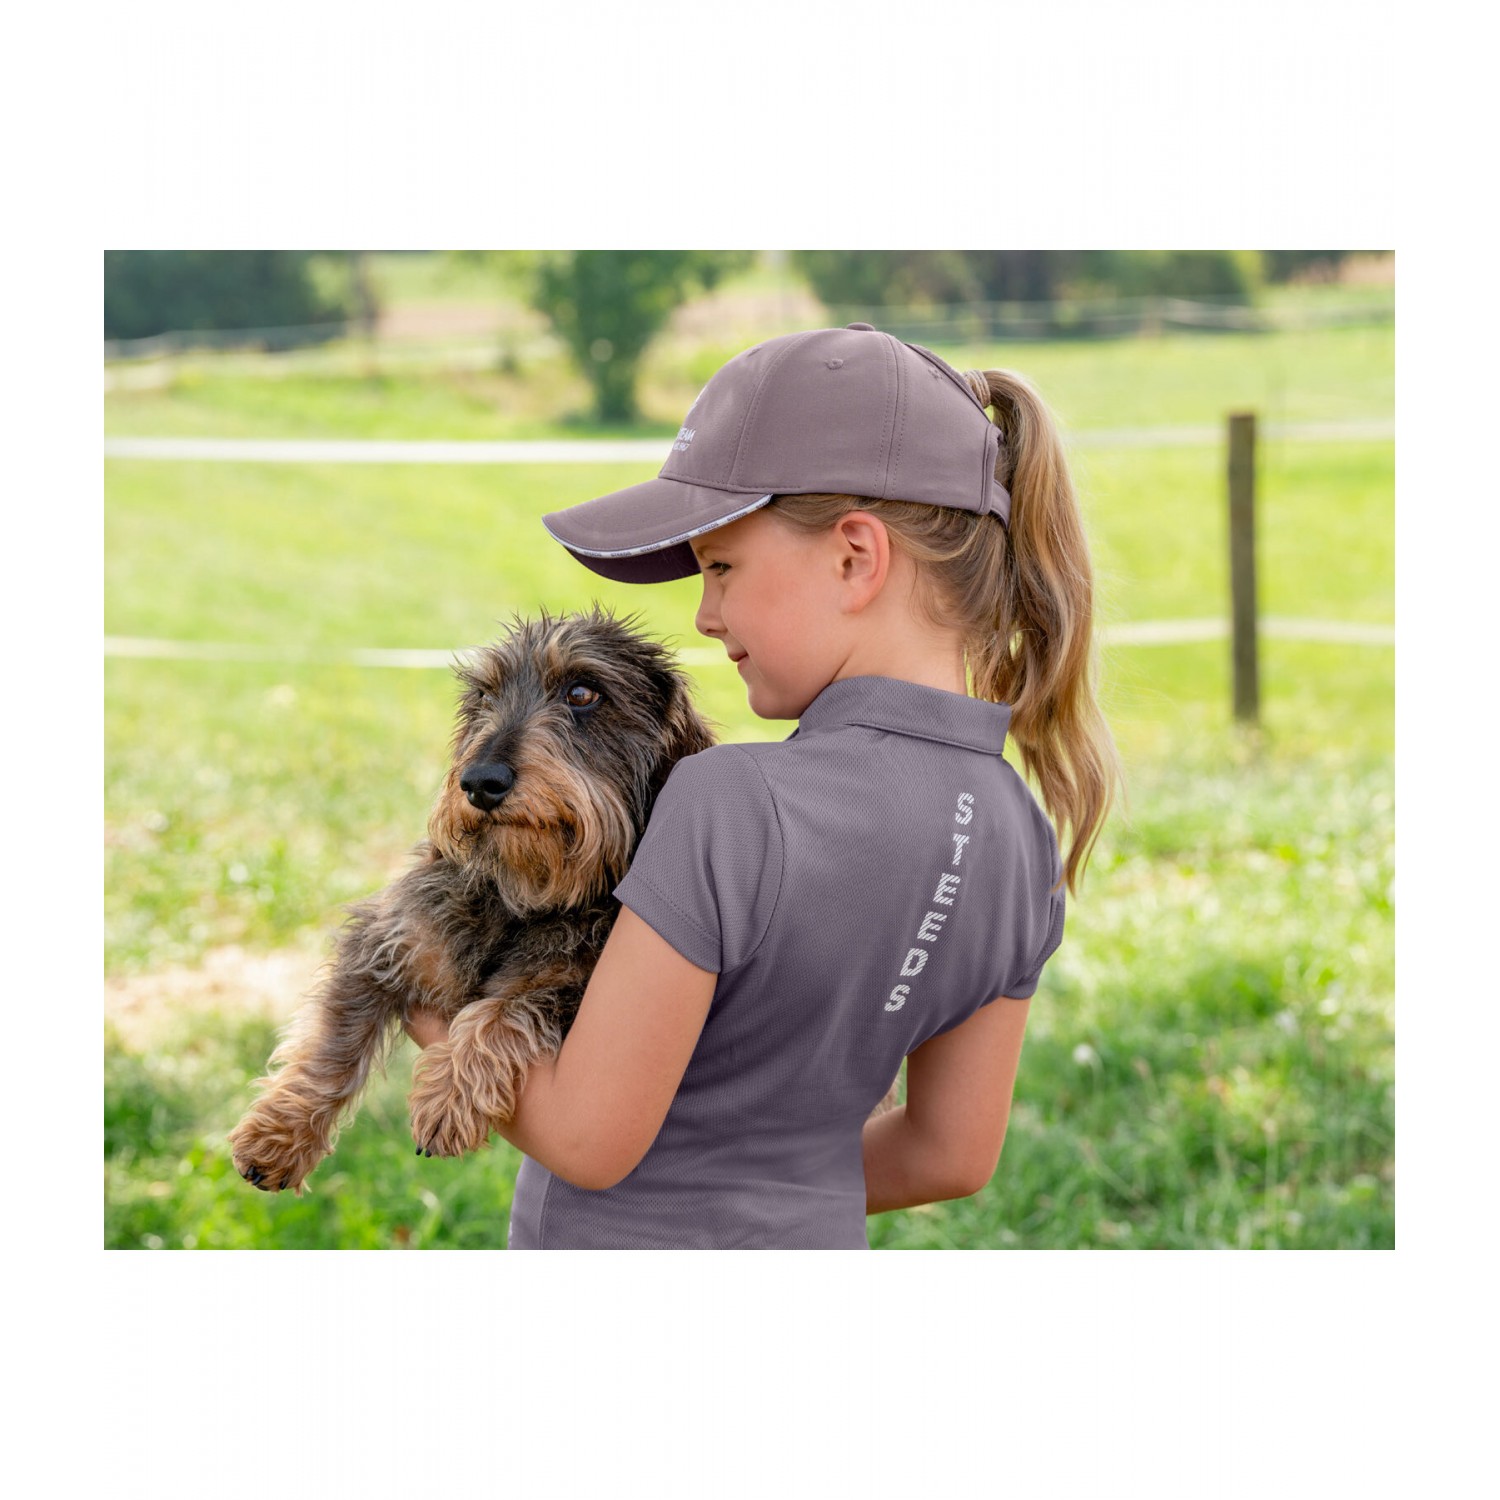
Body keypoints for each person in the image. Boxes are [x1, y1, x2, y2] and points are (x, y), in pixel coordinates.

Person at [404, 322, 1121, 1248]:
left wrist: (417, 986)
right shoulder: (1022, 837)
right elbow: (949, 1155)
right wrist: (776, 1184)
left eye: (721, 568)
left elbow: (587, 1138)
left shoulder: (729, 802)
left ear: (855, 558)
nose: (705, 616)